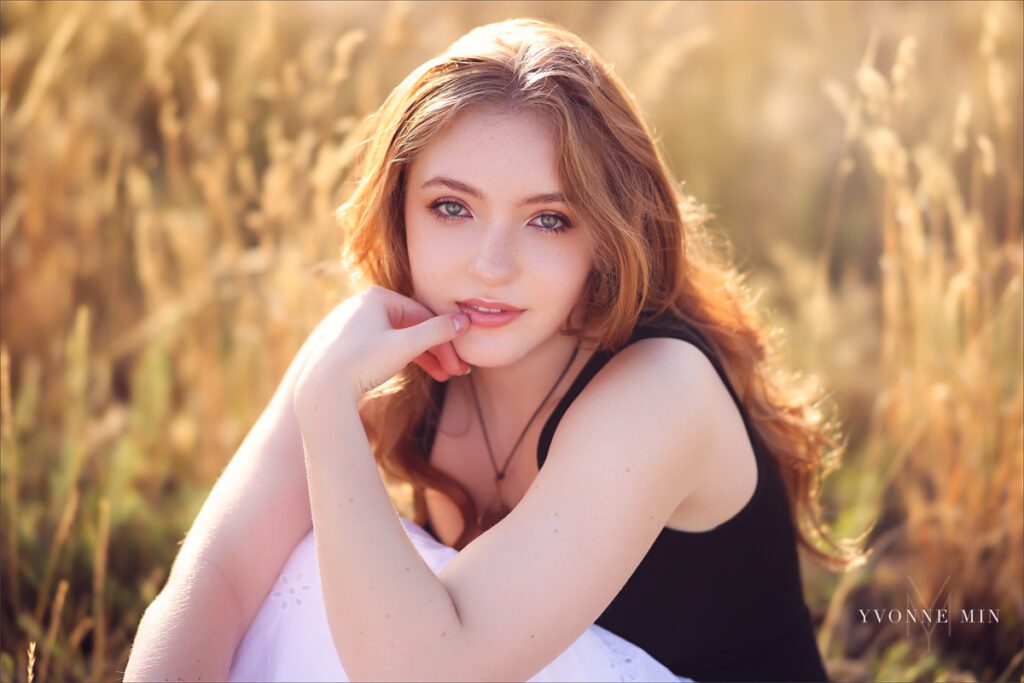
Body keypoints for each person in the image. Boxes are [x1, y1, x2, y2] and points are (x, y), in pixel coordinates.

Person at [125, 18, 865, 683]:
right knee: (294, 574)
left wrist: (325, 412)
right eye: (452, 207)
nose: (490, 265)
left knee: (344, 576)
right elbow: (212, 582)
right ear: (401, 212)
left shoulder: (662, 389)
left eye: (548, 220)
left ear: (605, 237)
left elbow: (428, 672)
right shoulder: (382, 342)